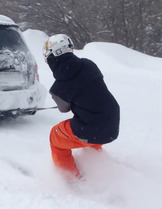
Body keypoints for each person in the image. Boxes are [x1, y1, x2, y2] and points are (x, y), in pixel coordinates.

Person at [44, 34, 120, 181]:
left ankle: (70, 179)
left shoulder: (58, 88)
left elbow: (63, 109)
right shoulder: (89, 64)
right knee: (90, 131)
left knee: (56, 135)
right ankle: (98, 167)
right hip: (112, 121)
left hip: (93, 128)